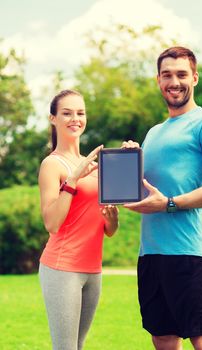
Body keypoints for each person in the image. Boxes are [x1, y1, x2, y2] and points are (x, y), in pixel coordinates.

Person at [122, 47, 202, 350]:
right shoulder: (154, 132)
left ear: (195, 78)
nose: (174, 81)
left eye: (181, 74)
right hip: (150, 255)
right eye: (167, 75)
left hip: (188, 253)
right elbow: (144, 192)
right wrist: (126, 162)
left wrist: (170, 203)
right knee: (162, 337)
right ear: (158, 80)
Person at [38, 89, 119, 350]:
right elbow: (51, 223)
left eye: (80, 113)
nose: (75, 118)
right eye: (67, 113)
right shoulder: (52, 165)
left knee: (79, 346)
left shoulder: (92, 164)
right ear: (53, 119)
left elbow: (109, 230)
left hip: (93, 270)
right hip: (62, 269)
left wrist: (113, 218)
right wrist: (73, 179)